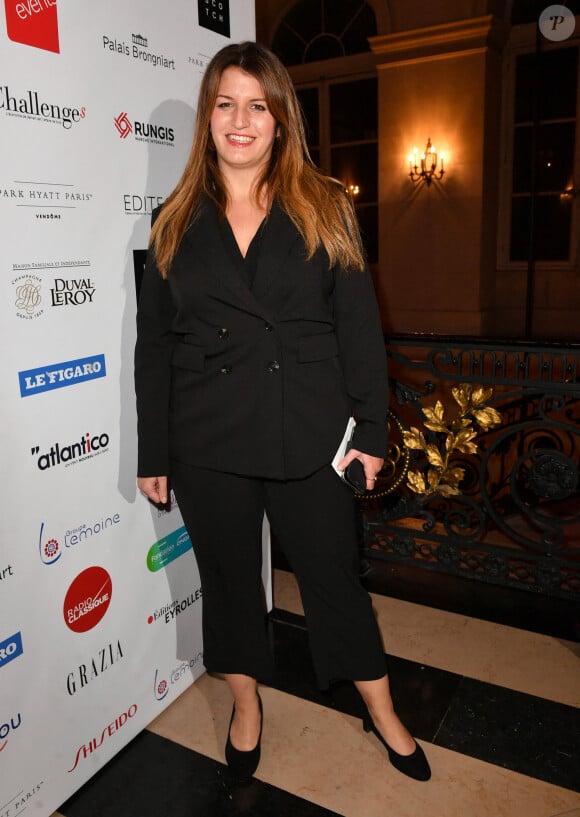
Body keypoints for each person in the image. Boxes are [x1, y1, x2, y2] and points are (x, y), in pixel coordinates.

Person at [135, 41, 430, 784]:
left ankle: (384, 710)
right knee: (231, 585)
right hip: (208, 442)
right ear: (208, 118)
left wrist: (370, 431)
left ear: (280, 119)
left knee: (335, 580)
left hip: (309, 433)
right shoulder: (175, 219)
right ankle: (245, 704)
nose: (241, 120)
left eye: (256, 105)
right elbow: (155, 348)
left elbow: (360, 327)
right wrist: (153, 451)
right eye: (225, 103)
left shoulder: (324, 203)